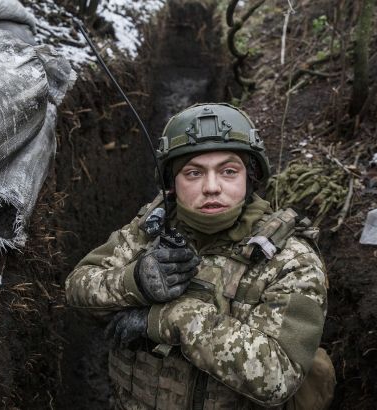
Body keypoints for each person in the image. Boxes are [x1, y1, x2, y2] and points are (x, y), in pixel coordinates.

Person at [64, 103, 335, 409]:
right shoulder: (149, 230)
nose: (211, 187)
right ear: (171, 184)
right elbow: (77, 288)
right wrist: (135, 280)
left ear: (251, 177)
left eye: (228, 171)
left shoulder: (289, 259)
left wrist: (170, 317)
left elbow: (278, 376)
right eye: (193, 173)